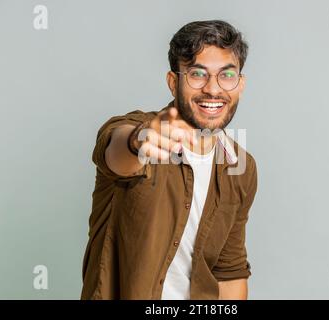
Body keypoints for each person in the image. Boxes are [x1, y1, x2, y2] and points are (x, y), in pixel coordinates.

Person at [81, 20, 258, 300]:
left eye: (226, 75)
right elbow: (117, 153)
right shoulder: (137, 131)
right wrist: (140, 140)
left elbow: (230, 270)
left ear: (240, 84)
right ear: (174, 82)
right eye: (197, 74)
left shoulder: (239, 165)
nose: (213, 89)